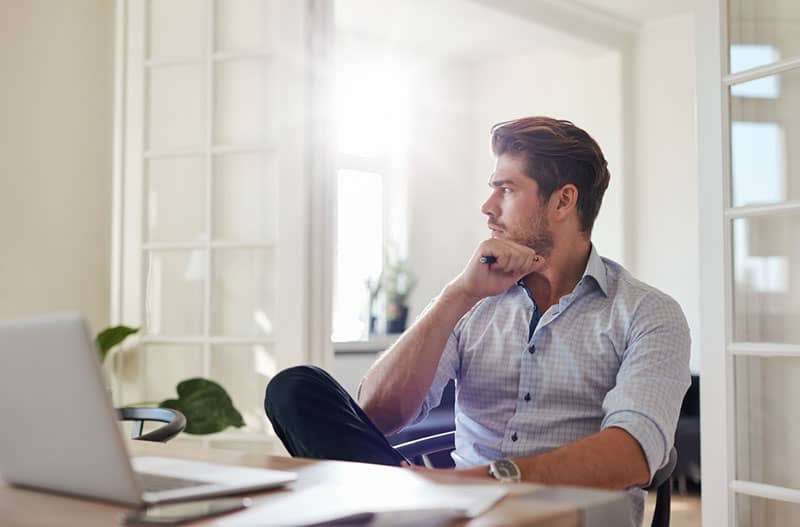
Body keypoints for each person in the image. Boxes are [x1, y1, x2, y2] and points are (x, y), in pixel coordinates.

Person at [265, 116, 691, 527]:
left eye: (506, 190)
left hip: (560, 520)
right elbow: (376, 415)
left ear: (563, 200)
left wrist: (470, 484)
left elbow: (631, 454)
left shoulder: (648, 313)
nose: (488, 208)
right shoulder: (474, 298)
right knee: (295, 388)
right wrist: (458, 295)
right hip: (453, 516)